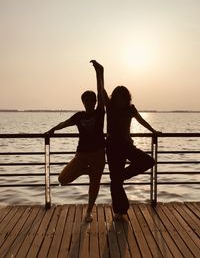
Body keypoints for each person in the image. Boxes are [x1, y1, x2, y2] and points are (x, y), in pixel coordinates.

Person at [91, 60, 161, 220]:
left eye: (123, 98)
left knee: (148, 161)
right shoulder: (110, 106)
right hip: (112, 146)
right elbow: (101, 90)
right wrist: (100, 72)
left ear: (127, 98)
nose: (120, 100)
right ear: (114, 98)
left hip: (126, 145)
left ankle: (121, 176)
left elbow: (141, 121)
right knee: (115, 182)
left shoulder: (131, 109)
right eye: (117, 97)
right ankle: (120, 211)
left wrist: (153, 131)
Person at [45, 66, 105, 222]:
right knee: (62, 179)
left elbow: (101, 91)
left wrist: (99, 73)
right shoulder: (79, 116)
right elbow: (65, 123)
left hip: (98, 154)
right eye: (87, 101)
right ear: (83, 102)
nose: (90, 103)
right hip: (82, 155)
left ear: (96, 102)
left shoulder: (100, 113)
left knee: (94, 185)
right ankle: (87, 171)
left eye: (92, 101)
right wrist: (52, 130)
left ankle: (89, 213)